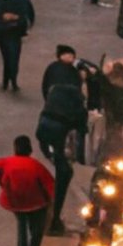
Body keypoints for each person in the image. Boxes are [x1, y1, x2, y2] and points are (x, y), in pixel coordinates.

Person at [37, 45, 87, 232]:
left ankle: (54, 214)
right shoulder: (74, 90)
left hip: (45, 129)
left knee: (60, 167)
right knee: (63, 171)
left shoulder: (54, 84)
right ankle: (54, 217)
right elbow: (81, 121)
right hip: (57, 133)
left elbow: (44, 90)